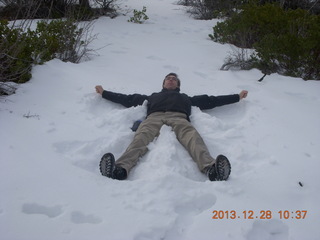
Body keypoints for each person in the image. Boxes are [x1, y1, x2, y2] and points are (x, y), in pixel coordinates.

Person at [96, 73, 248, 181]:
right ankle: (119, 170)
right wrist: (104, 93)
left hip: (179, 117)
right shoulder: (153, 96)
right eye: (168, 79)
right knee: (140, 138)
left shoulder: (185, 98)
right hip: (154, 117)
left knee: (193, 138)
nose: (171, 80)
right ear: (163, 83)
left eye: (174, 79)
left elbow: (212, 100)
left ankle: (211, 169)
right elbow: (128, 99)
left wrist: (237, 97)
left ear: (178, 85)